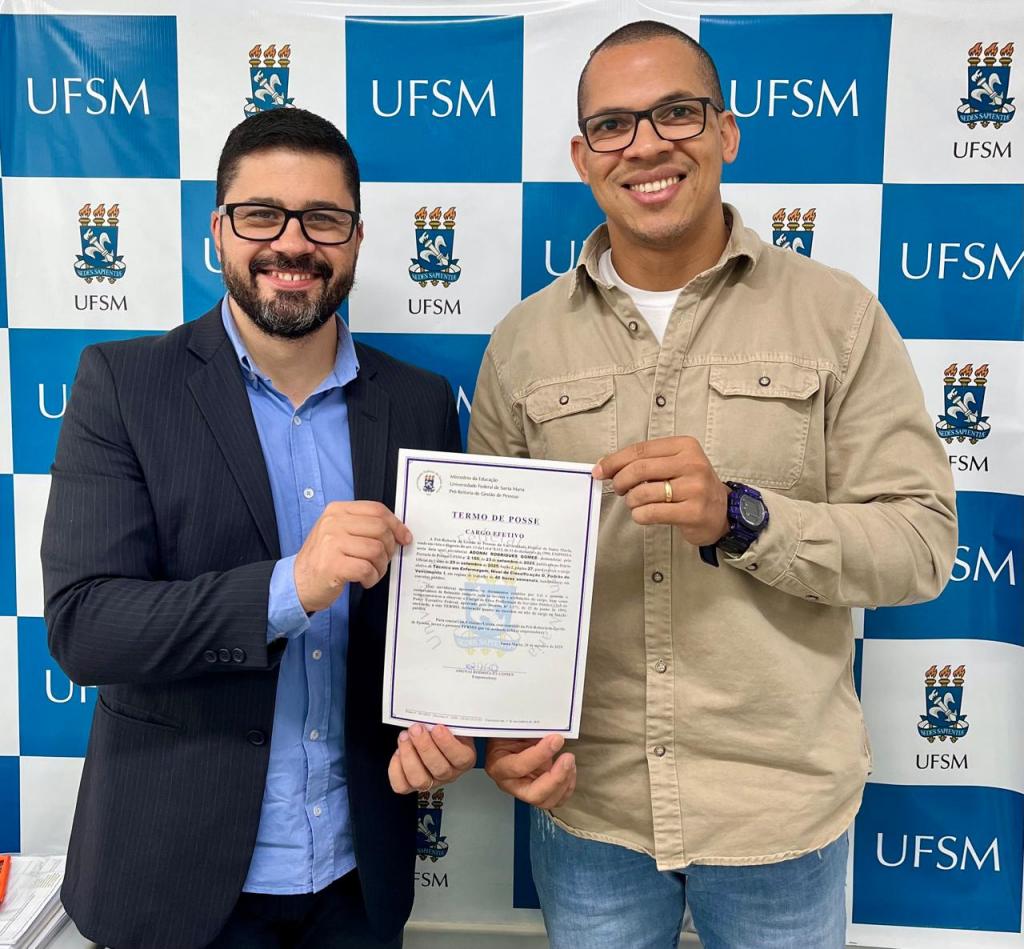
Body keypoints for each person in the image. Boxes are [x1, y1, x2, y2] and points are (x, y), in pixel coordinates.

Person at [469, 21, 957, 949]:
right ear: (583, 156)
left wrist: (742, 515)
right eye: (613, 125)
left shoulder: (838, 317)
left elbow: (922, 545)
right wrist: (496, 726)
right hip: (592, 808)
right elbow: (490, 578)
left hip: (778, 813)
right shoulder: (523, 344)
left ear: (726, 131)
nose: (646, 144)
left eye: (677, 114)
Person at [41, 108, 475, 949]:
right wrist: (290, 585)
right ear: (219, 231)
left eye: (323, 219)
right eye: (261, 215)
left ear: (356, 238)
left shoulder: (419, 402)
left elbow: (435, 621)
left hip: (358, 878)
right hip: (174, 882)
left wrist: (456, 724)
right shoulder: (123, 384)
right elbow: (84, 625)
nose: (292, 243)